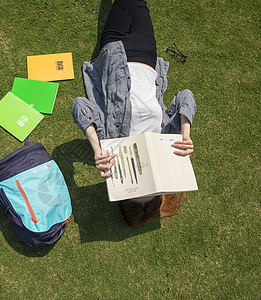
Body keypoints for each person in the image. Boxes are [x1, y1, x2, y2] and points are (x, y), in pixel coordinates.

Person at [72, 0, 196, 227]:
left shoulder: (110, 146)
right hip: (147, 56)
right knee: (139, 4)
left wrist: (97, 148)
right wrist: (185, 134)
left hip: (115, 53)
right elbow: (185, 97)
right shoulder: (167, 143)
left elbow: (80, 105)